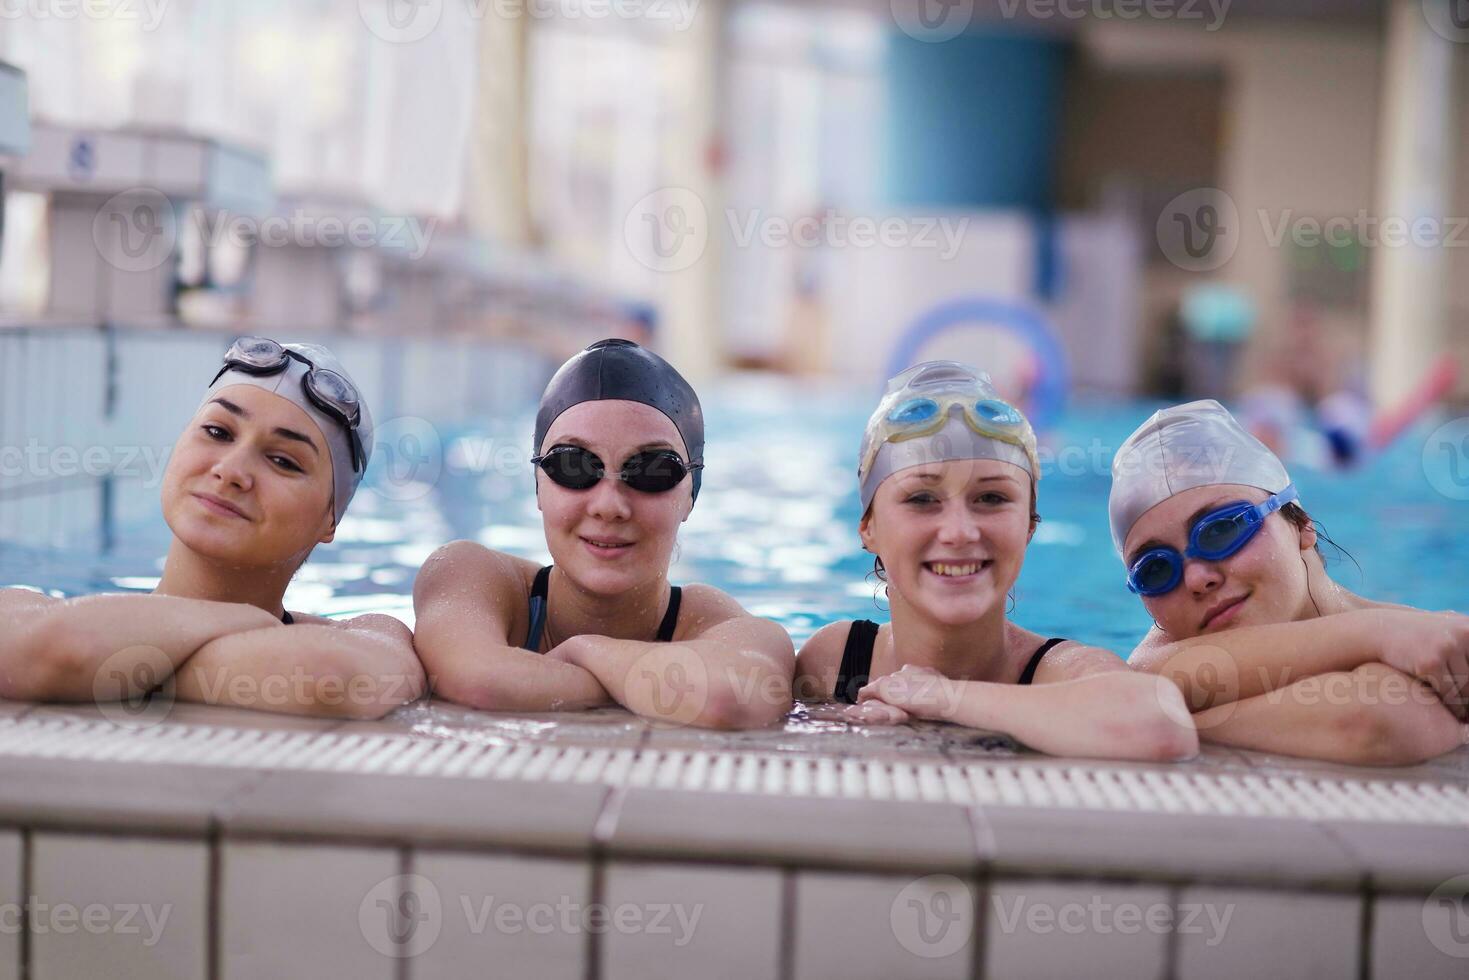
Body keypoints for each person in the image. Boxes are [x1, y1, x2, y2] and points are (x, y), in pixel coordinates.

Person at [0, 337, 424, 719]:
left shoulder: (372, 634)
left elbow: (329, 679)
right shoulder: (25, 605)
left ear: (330, 519)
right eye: (218, 432)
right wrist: (245, 621)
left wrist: (111, 664)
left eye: (283, 461)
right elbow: (58, 652)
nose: (231, 471)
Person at [795, 361, 1198, 761]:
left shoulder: (1061, 672)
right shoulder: (836, 659)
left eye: (991, 499)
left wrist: (940, 697)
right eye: (921, 499)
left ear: (1029, 526)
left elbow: (1159, 726)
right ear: (868, 529)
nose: (960, 531)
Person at [413, 339, 794, 729]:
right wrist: (637, 685)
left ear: (690, 497)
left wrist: (583, 650)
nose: (609, 505)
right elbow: (479, 680)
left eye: (652, 469)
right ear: (539, 486)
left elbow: (728, 699)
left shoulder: (724, 628)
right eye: (573, 465)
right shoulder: (472, 575)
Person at [1112, 399, 1469, 764]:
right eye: (1155, 569)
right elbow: (1370, 720)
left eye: (1222, 530)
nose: (1197, 578)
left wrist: (1181, 719)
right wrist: (1380, 635)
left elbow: (1372, 720)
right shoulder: (1155, 667)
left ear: (1301, 524)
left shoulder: (1437, 640)